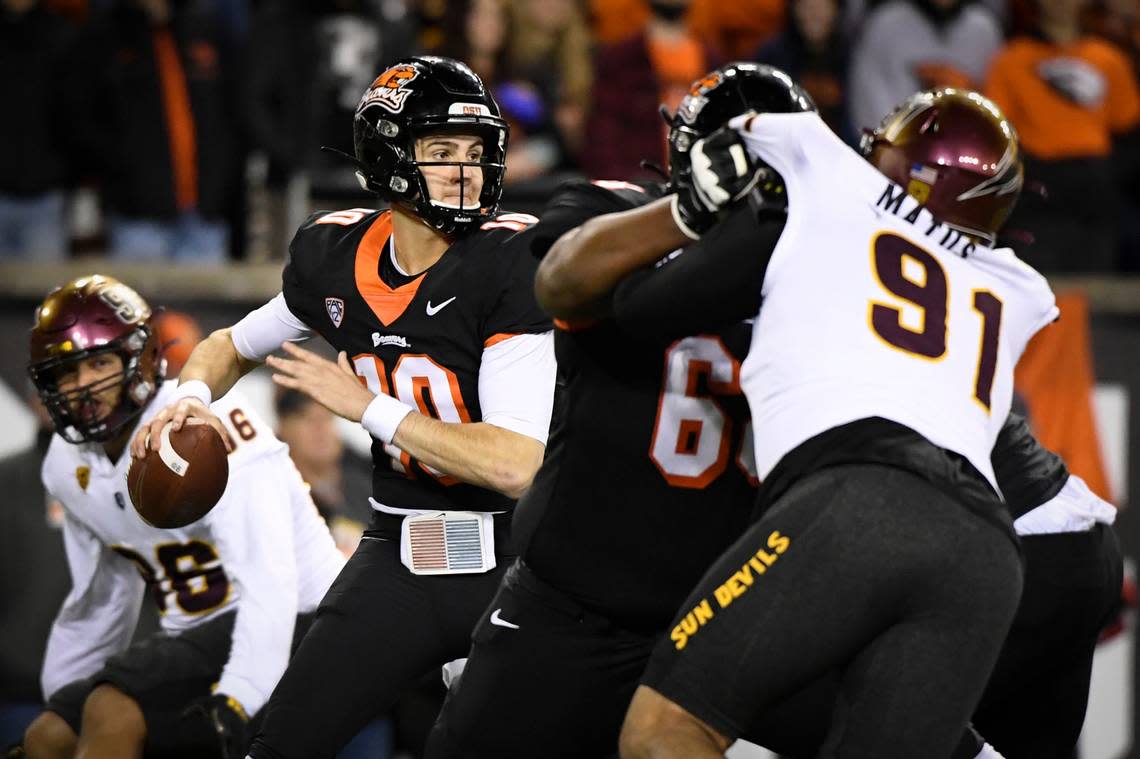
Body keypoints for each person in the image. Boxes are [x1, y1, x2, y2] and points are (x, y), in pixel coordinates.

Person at [132, 56, 556, 759]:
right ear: (390, 160)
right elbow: (228, 345)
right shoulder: (335, 256)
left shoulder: (510, 262)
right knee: (279, 743)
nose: (466, 172)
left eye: (476, 153)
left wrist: (371, 407)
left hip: (515, 556)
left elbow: (517, 464)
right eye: (442, 152)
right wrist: (190, 400)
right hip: (401, 552)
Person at [618, 87, 1059, 757]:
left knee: (662, 731)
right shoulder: (1021, 288)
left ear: (910, 165)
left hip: (864, 496)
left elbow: (723, 128)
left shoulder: (828, 170)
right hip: (988, 552)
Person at [20, 275, 346, 759]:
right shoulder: (66, 465)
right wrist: (64, 698)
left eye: (100, 362)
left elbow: (271, 581)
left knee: (115, 709)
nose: (84, 385)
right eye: (67, 373)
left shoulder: (205, 429)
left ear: (140, 359)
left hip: (303, 624)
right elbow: (101, 599)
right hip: (199, 637)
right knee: (47, 738)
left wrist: (238, 696)